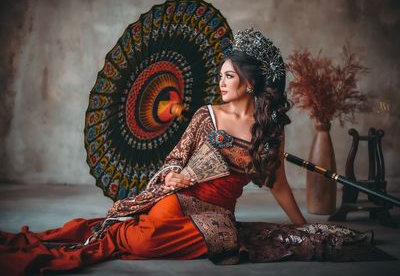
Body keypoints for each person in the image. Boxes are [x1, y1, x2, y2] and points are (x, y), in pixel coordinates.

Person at [0, 28, 368, 275]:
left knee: (194, 243)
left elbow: (278, 183)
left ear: (250, 82)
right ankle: (104, 234)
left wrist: (301, 226)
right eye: (221, 75)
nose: (220, 82)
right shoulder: (206, 115)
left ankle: (126, 234)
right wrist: (178, 173)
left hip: (218, 216)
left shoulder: (268, 129)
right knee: (145, 236)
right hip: (180, 199)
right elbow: (175, 157)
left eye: (228, 76)